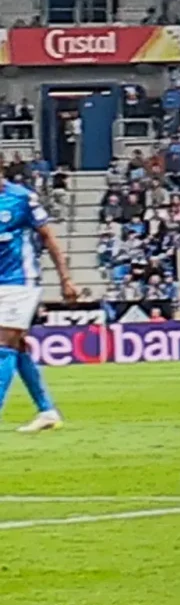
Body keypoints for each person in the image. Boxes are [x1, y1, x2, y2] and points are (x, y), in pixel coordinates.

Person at [0, 164, 81, 432]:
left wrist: (65, 279)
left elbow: (49, 238)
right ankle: (47, 410)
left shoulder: (21, 198)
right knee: (18, 346)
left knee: (3, 344)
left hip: (20, 281)